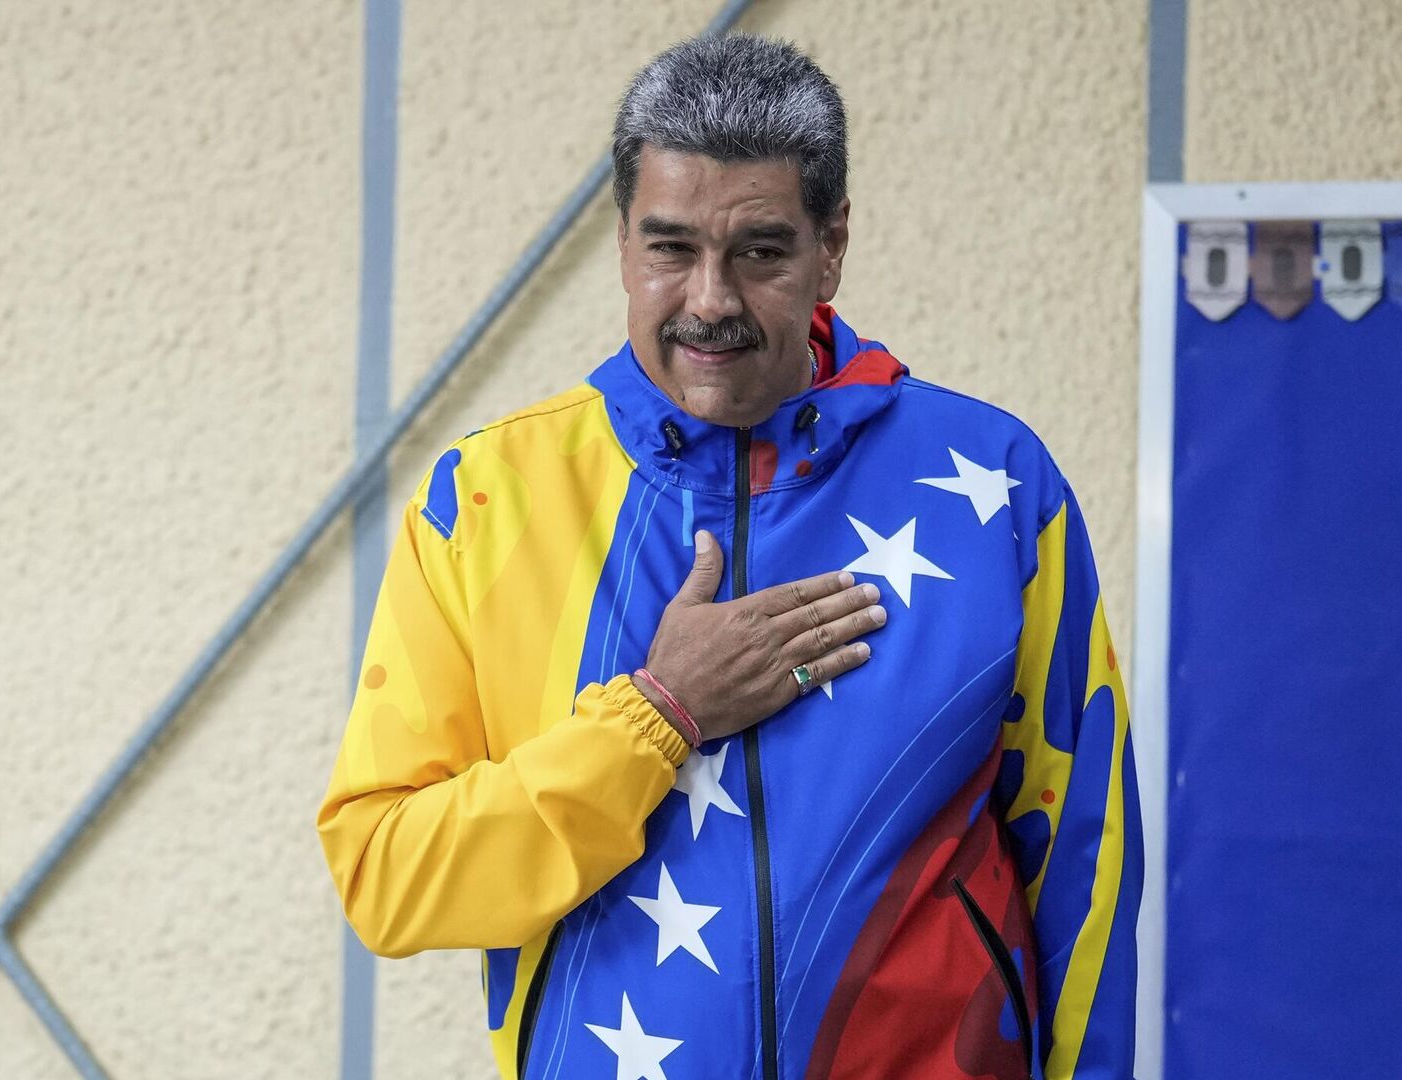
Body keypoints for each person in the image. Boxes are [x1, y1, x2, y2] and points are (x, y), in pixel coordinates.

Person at [317, 32, 1140, 1080]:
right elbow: (389, 879)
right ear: (623, 245)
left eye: (760, 252)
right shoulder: (486, 499)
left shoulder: (999, 482)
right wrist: (655, 717)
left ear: (831, 247)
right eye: (671, 248)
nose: (710, 299)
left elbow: (1086, 861)